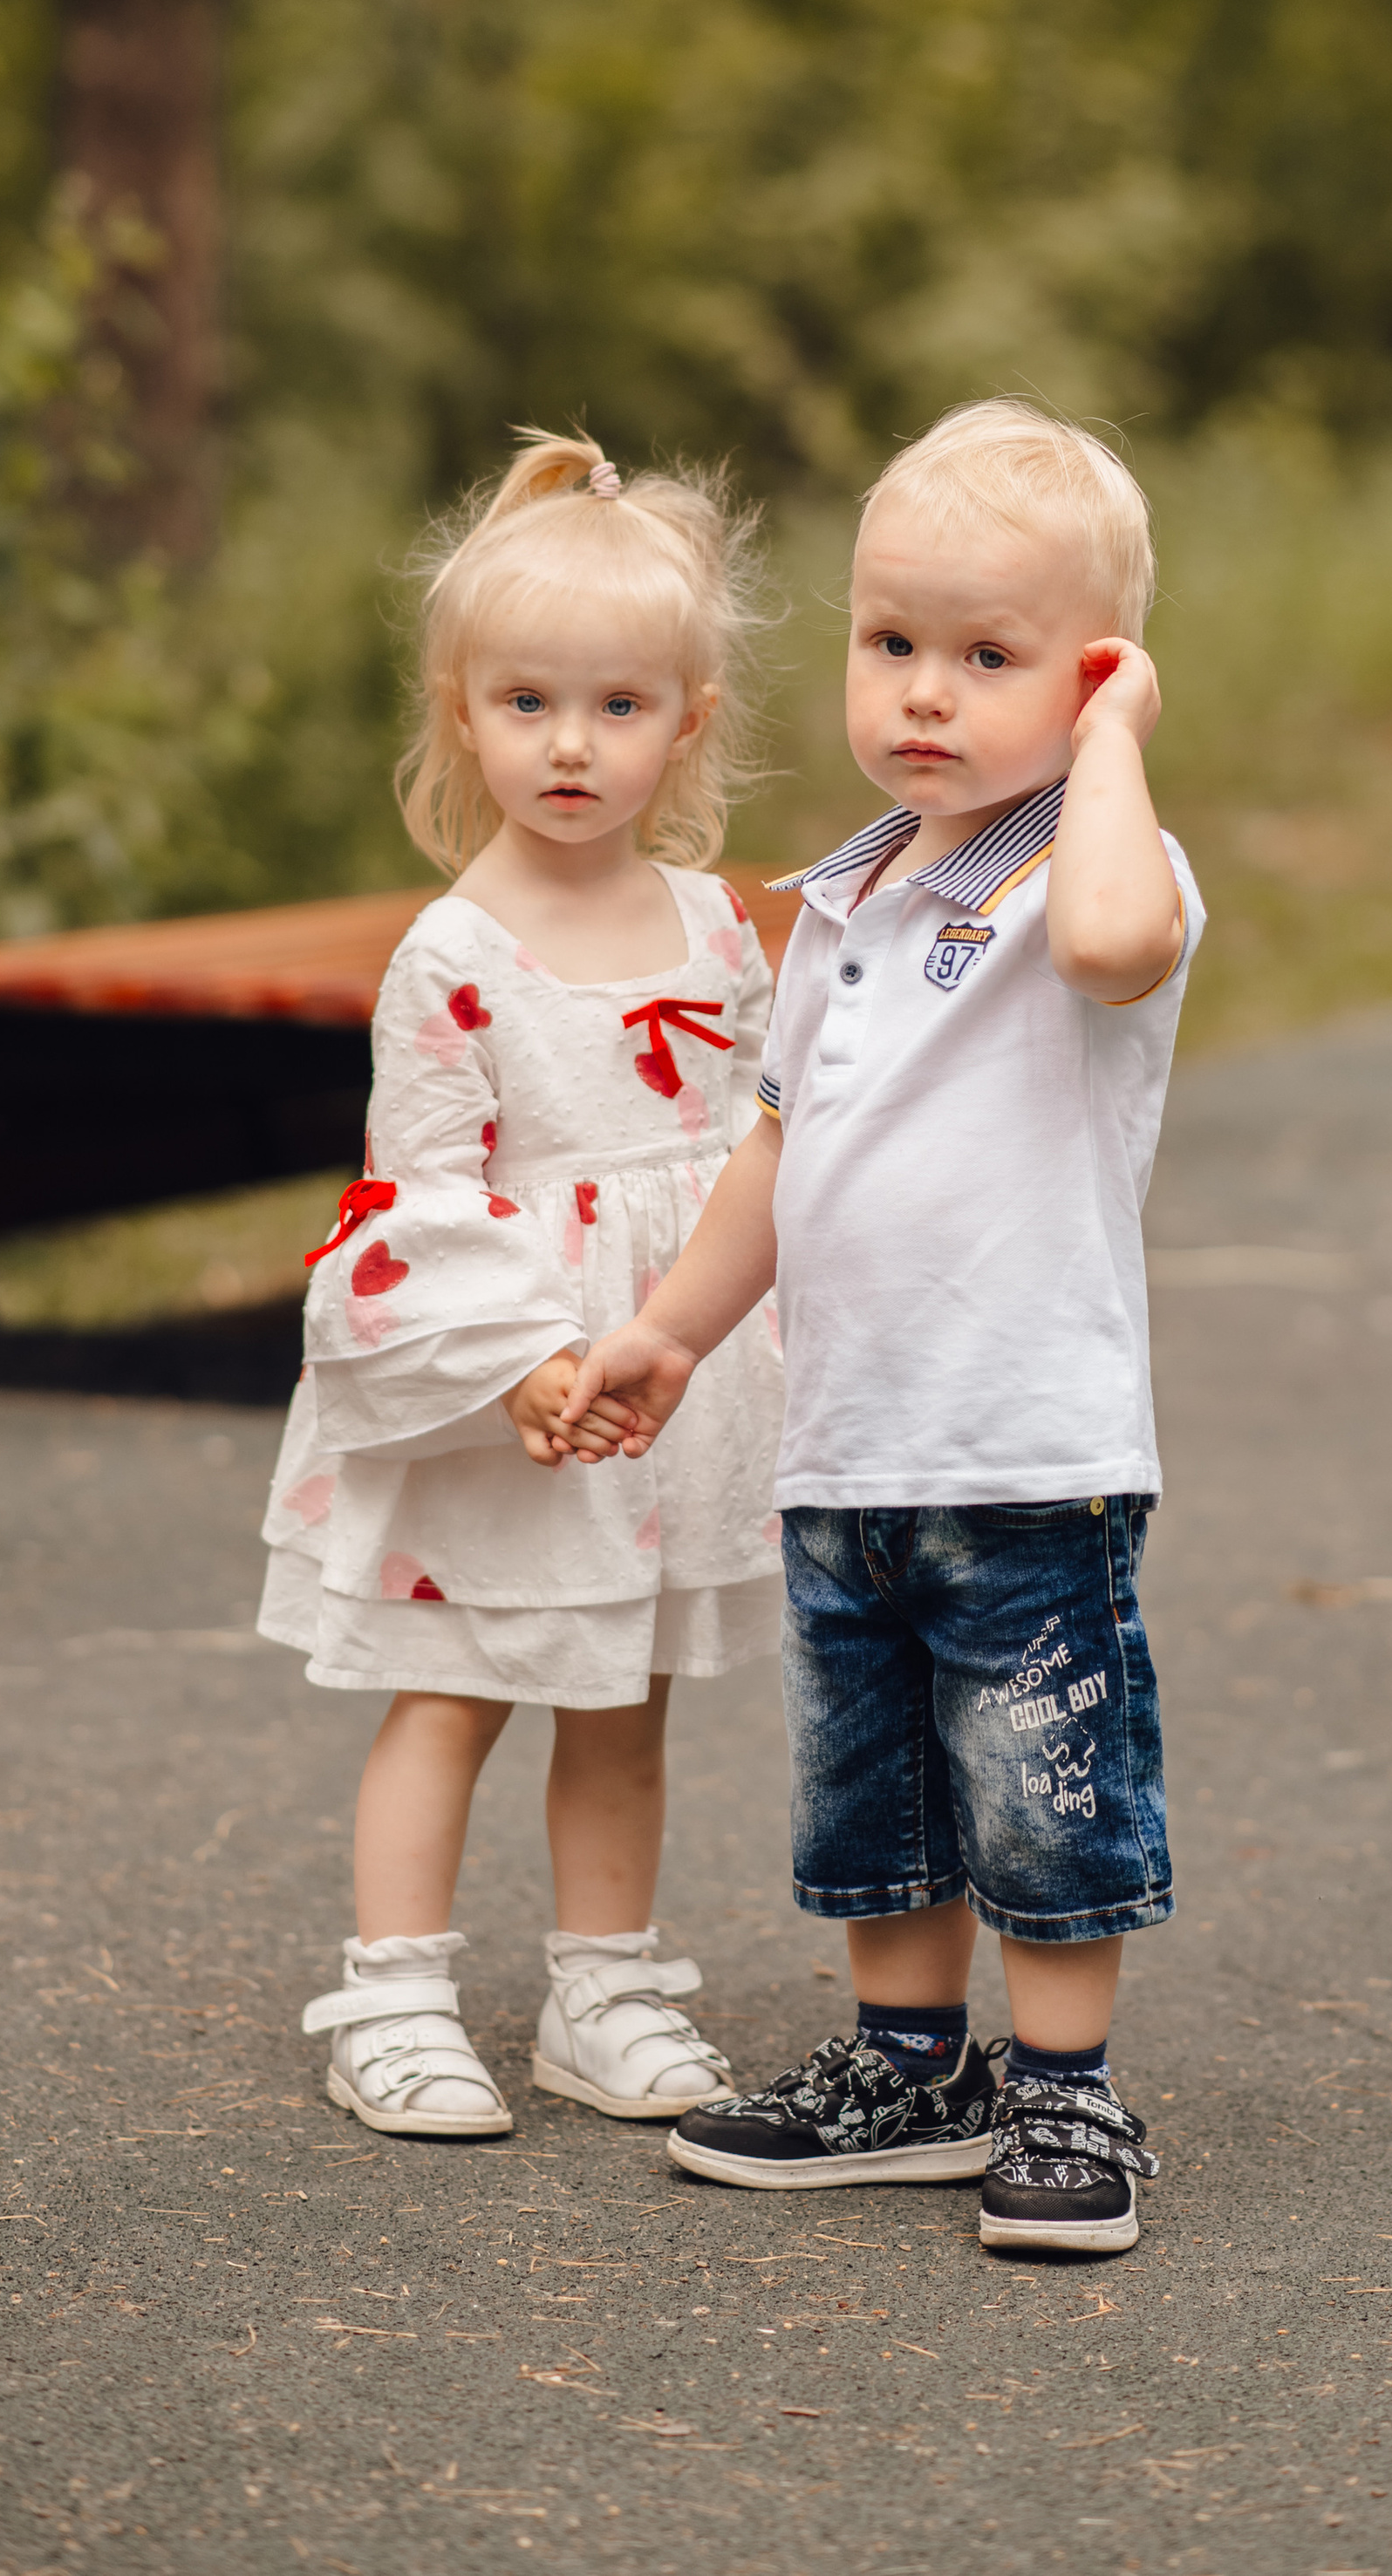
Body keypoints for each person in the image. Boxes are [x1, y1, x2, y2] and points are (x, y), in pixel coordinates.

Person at [558, 398, 1201, 2256]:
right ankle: (906, 2063)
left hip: (1022, 1449)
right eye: (890, 643)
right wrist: (677, 1331)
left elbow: (1097, 952)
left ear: (1087, 684)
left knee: (1042, 1771)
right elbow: (781, 1138)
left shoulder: (1102, 873)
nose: (922, 693)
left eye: (986, 660)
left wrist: (1112, 743)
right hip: (845, 1442)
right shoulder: (839, 900)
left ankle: (1066, 2088)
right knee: (874, 1790)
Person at [258, 432, 786, 2139]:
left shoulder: (716, 930)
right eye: (528, 703)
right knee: (461, 1679)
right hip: (510, 1384)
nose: (571, 745)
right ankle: (396, 1995)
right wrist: (519, 1370)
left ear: (687, 720)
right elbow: (411, 1200)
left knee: (622, 1688)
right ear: (458, 709)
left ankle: (604, 1989)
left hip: (662, 1381)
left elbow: (761, 1153)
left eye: (619, 706)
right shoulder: (455, 956)